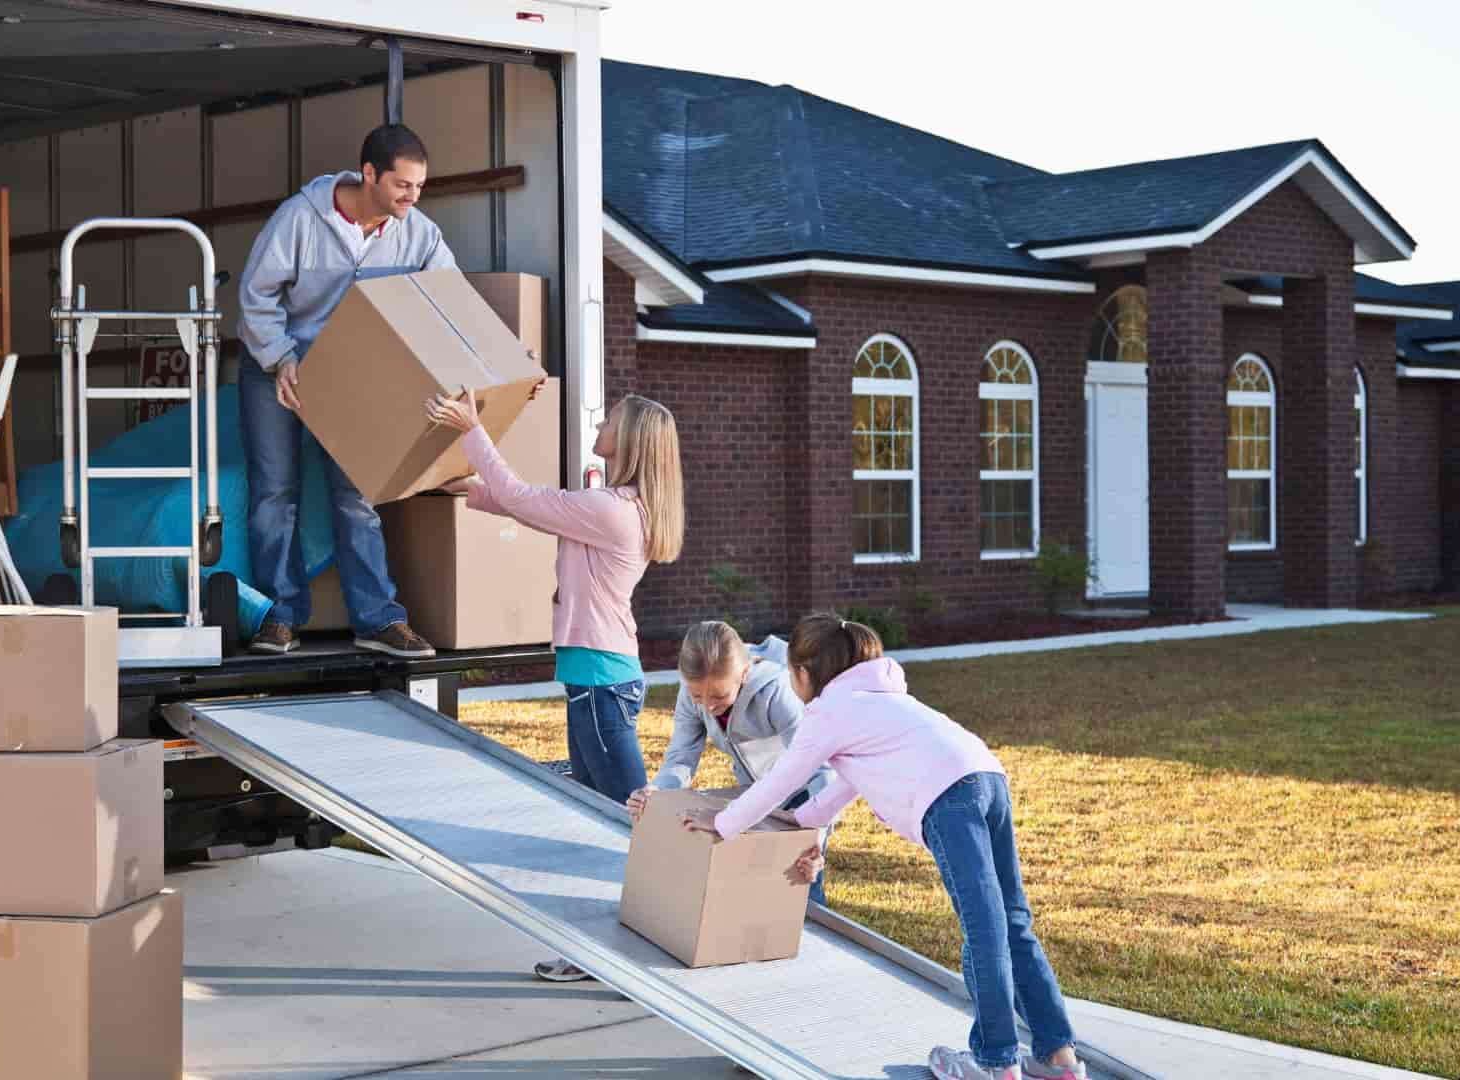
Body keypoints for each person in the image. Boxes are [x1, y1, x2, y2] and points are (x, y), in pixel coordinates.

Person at [680, 615, 1087, 1080]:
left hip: (949, 796)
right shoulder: (880, 698)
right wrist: (803, 822)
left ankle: (995, 1062)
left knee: (985, 931)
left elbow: (779, 781)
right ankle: (1059, 1058)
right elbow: (845, 784)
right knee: (1012, 921)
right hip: (987, 775)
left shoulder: (829, 712)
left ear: (805, 674)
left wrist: (723, 822)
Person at [425, 389, 684, 984]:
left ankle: (649, 954)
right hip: (594, 680)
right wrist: (457, 489)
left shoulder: (613, 509)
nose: (601, 422)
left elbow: (523, 496)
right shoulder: (614, 506)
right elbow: (522, 505)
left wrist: (473, 429)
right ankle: (602, 952)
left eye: (610, 420)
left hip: (601, 682)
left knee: (629, 827)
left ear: (632, 441)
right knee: (598, 824)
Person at [235, 123, 454, 658]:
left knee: (357, 497)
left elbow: (447, 302)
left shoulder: (419, 233)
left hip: (353, 377)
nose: (412, 197)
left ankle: (377, 619)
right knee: (275, 494)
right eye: (403, 185)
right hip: (277, 365)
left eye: (420, 187)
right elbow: (255, 295)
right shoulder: (300, 219)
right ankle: (278, 617)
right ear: (370, 174)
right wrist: (281, 358)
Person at [625, 621, 841, 906]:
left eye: (718, 696)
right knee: (755, 893)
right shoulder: (693, 695)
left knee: (801, 894)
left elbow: (822, 772)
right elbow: (681, 758)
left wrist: (817, 838)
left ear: (744, 673)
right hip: (753, 796)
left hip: (802, 798)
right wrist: (657, 792)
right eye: (697, 696)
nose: (707, 706)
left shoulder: (777, 693)